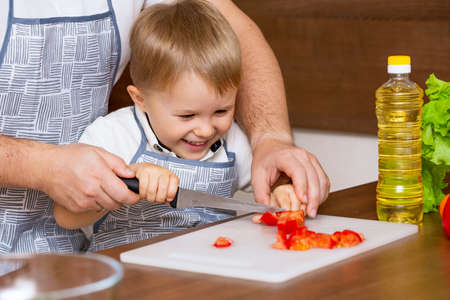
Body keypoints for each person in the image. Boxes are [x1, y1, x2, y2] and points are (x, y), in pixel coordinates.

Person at [0, 0, 329, 254]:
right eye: (187, 116)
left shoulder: (230, 144)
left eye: (220, 110)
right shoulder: (113, 137)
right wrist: (41, 165)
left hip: (64, 261)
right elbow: (68, 214)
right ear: (139, 99)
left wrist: (273, 144)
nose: (203, 130)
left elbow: (232, 29)